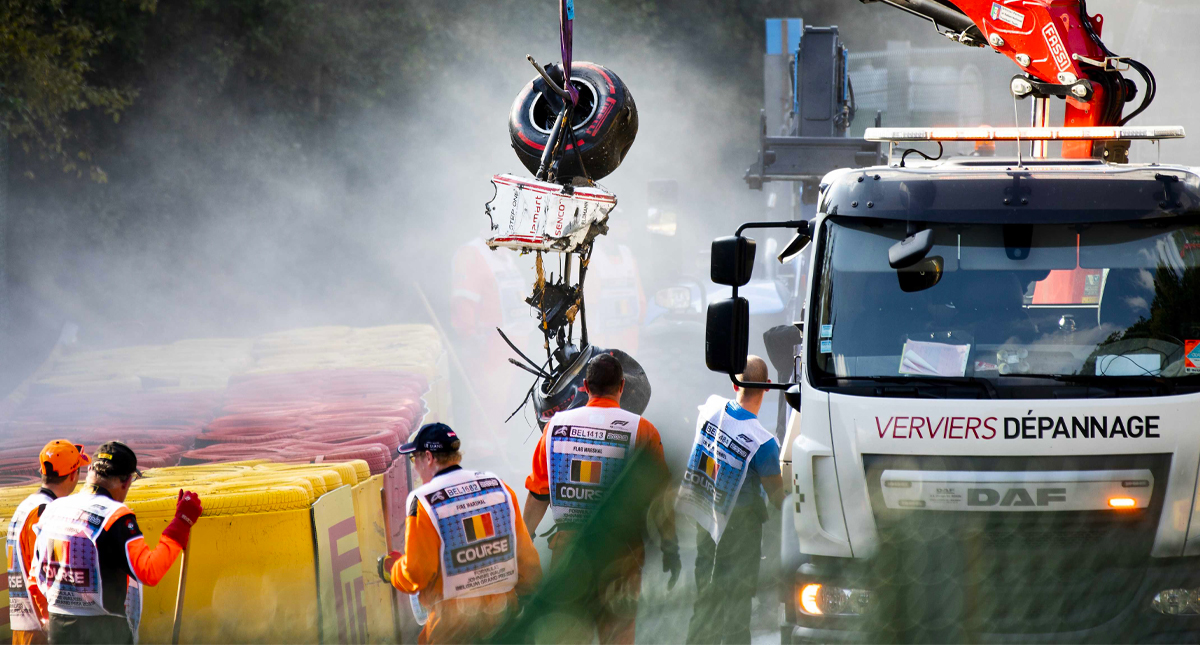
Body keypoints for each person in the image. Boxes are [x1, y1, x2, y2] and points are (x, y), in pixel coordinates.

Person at [522, 352, 680, 644]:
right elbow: (662, 503)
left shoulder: (554, 428)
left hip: (569, 559)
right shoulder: (641, 430)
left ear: (585, 386)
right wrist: (671, 549)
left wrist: (522, 546)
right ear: (622, 386)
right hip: (622, 560)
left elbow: (537, 497)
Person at [379, 423, 542, 644]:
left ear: (428, 457)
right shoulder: (498, 486)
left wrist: (394, 570)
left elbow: (418, 573)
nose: (415, 468)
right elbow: (527, 560)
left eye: (413, 459)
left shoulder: (423, 501)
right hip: (504, 618)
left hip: (453, 627)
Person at [31, 441, 202, 645]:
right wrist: (180, 525)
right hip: (104, 633)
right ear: (126, 481)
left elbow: (34, 576)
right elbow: (149, 571)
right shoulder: (114, 516)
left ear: (90, 471)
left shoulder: (52, 509)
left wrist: (47, 618)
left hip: (58, 630)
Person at [676, 356, 786, 644]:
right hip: (742, 533)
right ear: (768, 387)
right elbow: (777, 498)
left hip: (706, 521)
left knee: (705, 600)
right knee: (737, 608)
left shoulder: (712, 408)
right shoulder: (763, 443)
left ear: (733, 381)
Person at [6, 441, 89, 645]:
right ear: (72, 475)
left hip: (25, 627)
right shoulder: (44, 513)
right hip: (43, 631)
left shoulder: (27, 506)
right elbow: (46, 573)